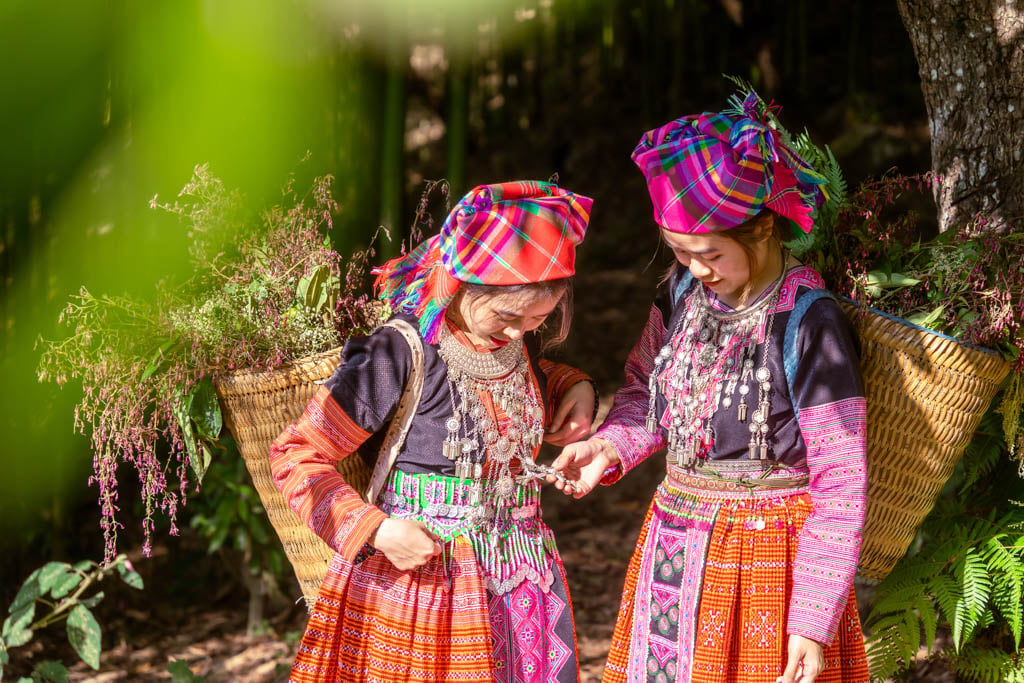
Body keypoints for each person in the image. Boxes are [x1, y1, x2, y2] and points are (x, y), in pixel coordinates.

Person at [552, 92, 870, 683]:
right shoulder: (679, 296)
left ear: (766, 227)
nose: (697, 268)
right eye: (679, 252)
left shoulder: (809, 324)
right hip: (673, 551)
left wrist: (811, 620)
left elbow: (842, 481)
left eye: (710, 253)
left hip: (771, 568)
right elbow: (645, 394)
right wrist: (608, 447)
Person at [270, 180, 597, 682]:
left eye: (539, 319)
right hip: (425, 589)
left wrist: (575, 389)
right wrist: (378, 530)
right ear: (464, 284)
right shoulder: (398, 352)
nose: (519, 333)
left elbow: (527, 381)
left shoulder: (512, 340)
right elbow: (296, 456)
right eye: (510, 317)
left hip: (522, 578)